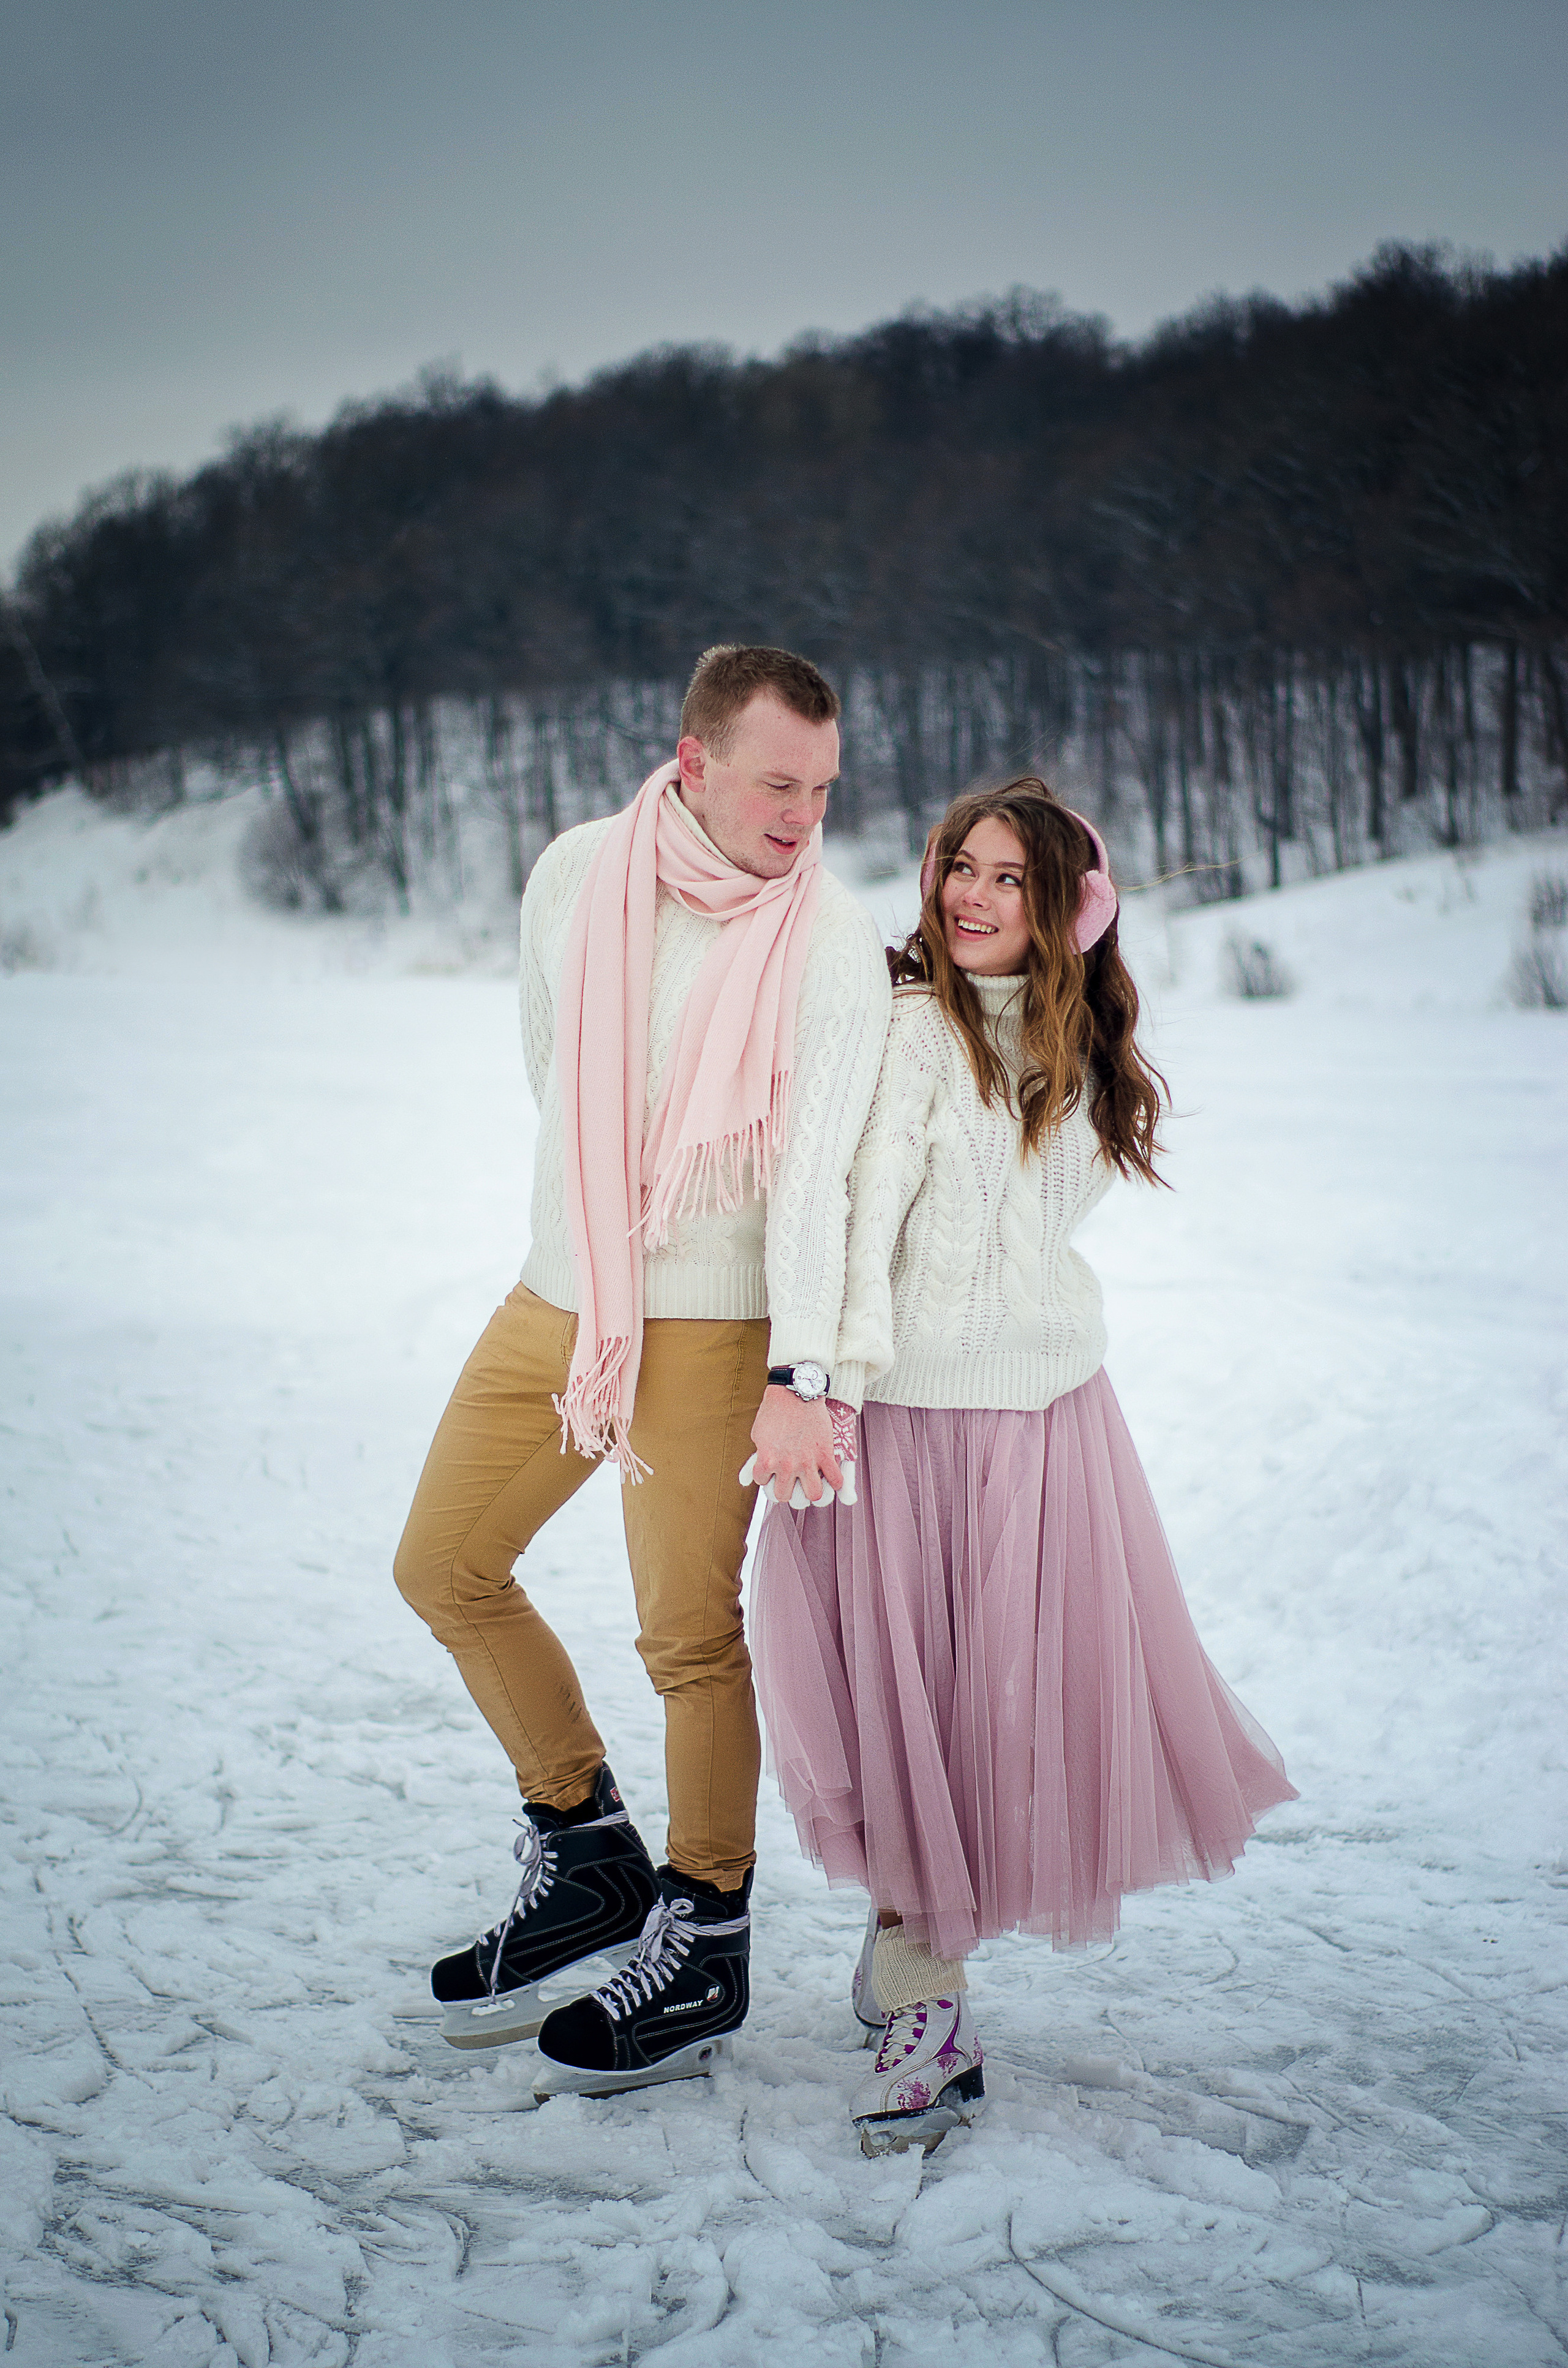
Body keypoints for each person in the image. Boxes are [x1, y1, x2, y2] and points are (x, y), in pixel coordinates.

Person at [749, 777, 1297, 2157]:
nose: (973, 896)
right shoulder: (898, 1024)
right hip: (894, 1422)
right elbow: (836, 1208)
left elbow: (1034, 1225)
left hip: (1044, 1420)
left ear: (1064, 910)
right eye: (961, 867)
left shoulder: (1074, 1048)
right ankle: (928, 1995)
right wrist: (809, 1381)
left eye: (1010, 878)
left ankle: (913, 1957)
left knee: (994, 1711)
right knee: (902, 1710)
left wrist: (1058, 1012)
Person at [394, 645, 891, 2098]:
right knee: (445, 1565)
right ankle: (587, 1851)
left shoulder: (828, 941)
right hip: (566, 1293)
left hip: (714, 1322)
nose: (802, 814)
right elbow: (553, 1073)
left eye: (822, 788)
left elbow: (818, 1182)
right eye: (776, 782)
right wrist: (597, 1250)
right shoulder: (576, 874)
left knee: (685, 1637)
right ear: (693, 761)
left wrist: (799, 1369)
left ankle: (705, 1931)